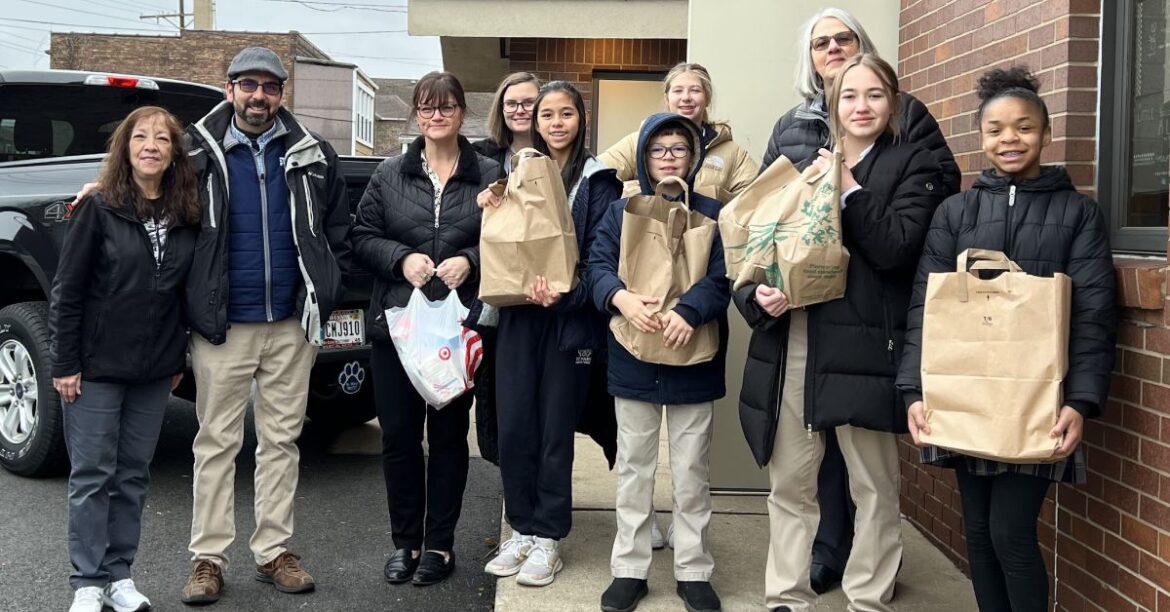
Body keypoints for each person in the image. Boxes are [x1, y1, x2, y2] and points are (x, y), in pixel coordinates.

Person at [897, 66, 1115, 612]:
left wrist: (1081, 402)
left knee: (1011, 534)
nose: (1009, 139)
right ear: (982, 137)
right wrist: (914, 393)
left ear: (1046, 134)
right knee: (978, 536)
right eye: (996, 129)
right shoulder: (956, 212)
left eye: (1022, 128)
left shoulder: (1078, 213)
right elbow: (927, 305)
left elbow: (1092, 315)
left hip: (1036, 399)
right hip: (965, 396)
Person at [758, 7, 961, 594]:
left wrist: (848, 191)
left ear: (894, 103)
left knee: (873, 483)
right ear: (832, 102)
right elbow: (764, 240)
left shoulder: (911, 158)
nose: (862, 105)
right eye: (850, 96)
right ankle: (785, 596)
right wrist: (760, 291)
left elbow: (899, 247)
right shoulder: (805, 159)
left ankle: (869, 596)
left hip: (871, 335)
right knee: (791, 479)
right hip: (800, 331)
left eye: (875, 94)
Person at [174, 47, 352, 605]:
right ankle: (208, 558)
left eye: (269, 87)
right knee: (216, 444)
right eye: (247, 85)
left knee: (281, 442)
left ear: (281, 94)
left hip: (290, 325)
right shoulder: (193, 152)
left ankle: (275, 551)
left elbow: (335, 228)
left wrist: (324, 288)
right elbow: (149, 202)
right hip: (223, 325)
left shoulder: (312, 153)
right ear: (229, 89)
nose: (259, 96)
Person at [52, 105, 200, 612]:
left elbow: (181, 293)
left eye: (162, 138)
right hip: (96, 365)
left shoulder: (186, 212)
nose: (151, 145)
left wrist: (176, 353)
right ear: (125, 147)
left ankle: (119, 576)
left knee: (133, 474)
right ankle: (87, 581)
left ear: (175, 152)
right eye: (140, 137)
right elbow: (67, 293)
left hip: (155, 368)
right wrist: (64, 363)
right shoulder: (98, 208)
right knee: (92, 473)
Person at [352, 71, 497, 587]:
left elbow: (510, 239)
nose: (438, 116)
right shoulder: (390, 173)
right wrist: (400, 258)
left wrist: (471, 260)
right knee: (399, 438)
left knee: (450, 438)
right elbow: (361, 236)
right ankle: (405, 542)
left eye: (448, 107)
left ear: (462, 113)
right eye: (428, 108)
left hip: (457, 331)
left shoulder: (490, 175)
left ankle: (440, 544)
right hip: (398, 328)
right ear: (417, 115)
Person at [480, 81, 621, 587]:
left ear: (581, 120)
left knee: (554, 430)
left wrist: (569, 292)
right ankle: (520, 528)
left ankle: (549, 538)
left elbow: (607, 254)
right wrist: (492, 203)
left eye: (566, 114)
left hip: (570, 321)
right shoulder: (515, 172)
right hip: (519, 313)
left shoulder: (599, 180)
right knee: (516, 424)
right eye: (547, 115)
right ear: (534, 123)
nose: (556, 123)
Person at [588, 112, 729, 612]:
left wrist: (691, 311)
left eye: (679, 149)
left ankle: (693, 569)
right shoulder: (620, 210)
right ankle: (630, 567)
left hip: (696, 357)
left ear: (693, 159)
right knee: (635, 468)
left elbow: (726, 275)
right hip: (633, 355)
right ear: (644, 157)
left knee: (692, 470)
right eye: (659, 149)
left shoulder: (714, 210)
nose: (669, 158)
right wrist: (620, 299)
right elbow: (596, 266)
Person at [600, 62, 756, 202]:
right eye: (678, 91)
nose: (686, 97)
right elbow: (595, 177)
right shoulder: (638, 142)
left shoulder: (732, 153)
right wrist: (645, 193)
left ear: (707, 98)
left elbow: (755, 200)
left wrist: (713, 200)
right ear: (667, 98)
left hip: (705, 232)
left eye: (695, 90)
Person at [474, 71, 541, 178]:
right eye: (511, 104)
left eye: (529, 102)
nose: (520, 111)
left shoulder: (559, 155)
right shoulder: (479, 156)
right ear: (501, 109)